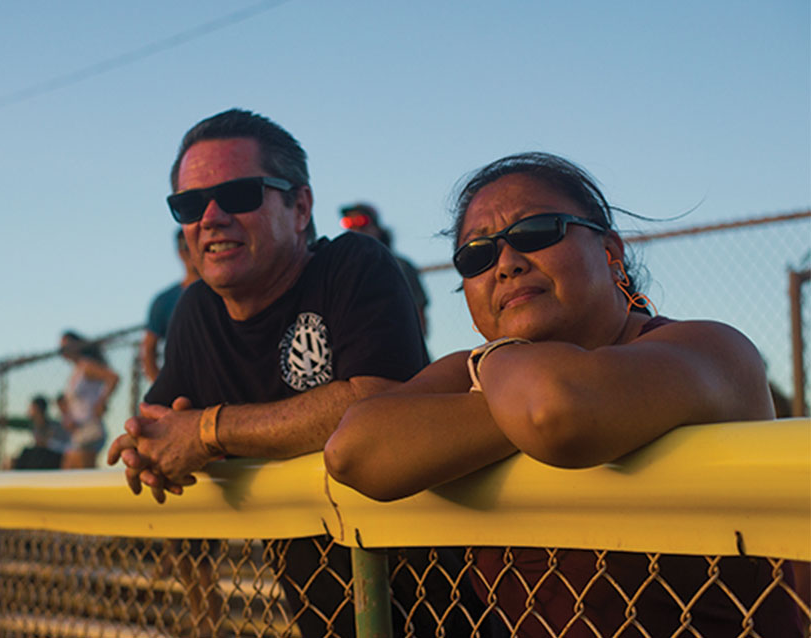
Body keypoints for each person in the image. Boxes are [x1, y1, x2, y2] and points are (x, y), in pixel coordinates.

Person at [324, 152, 803, 636]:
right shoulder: (479, 369)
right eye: (477, 256)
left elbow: (556, 409)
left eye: (536, 232)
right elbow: (352, 451)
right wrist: (513, 389)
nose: (506, 264)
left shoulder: (711, 350)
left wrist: (496, 375)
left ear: (611, 252)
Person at [107, 109, 457, 638]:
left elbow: (377, 403)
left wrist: (208, 431)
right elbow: (163, 426)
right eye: (189, 204)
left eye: (240, 195)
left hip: (450, 602)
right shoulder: (196, 310)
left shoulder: (353, 266)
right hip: (323, 615)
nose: (211, 217)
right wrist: (147, 448)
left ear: (300, 206)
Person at [339, 202, 430, 336]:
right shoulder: (341, 272)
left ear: (377, 229)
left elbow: (419, 314)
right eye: (349, 224)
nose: (356, 230)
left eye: (362, 223)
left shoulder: (399, 266)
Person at [142, 229, 199, 383]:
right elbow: (148, 350)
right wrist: (161, 388)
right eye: (187, 247)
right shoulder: (164, 301)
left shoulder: (229, 291)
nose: (193, 253)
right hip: (185, 389)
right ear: (180, 252)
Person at [60, 331, 119, 469]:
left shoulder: (87, 365)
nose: (63, 352)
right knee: (69, 472)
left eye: (66, 347)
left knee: (80, 474)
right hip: (78, 432)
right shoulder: (76, 370)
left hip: (91, 429)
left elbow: (113, 377)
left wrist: (102, 401)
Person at [14, 395, 69, 469]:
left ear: (38, 409)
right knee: (27, 452)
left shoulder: (55, 427)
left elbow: (64, 447)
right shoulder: (36, 427)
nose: (29, 411)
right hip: (41, 457)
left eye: (32, 408)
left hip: (52, 458)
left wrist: (47, 443)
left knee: (34, 454)